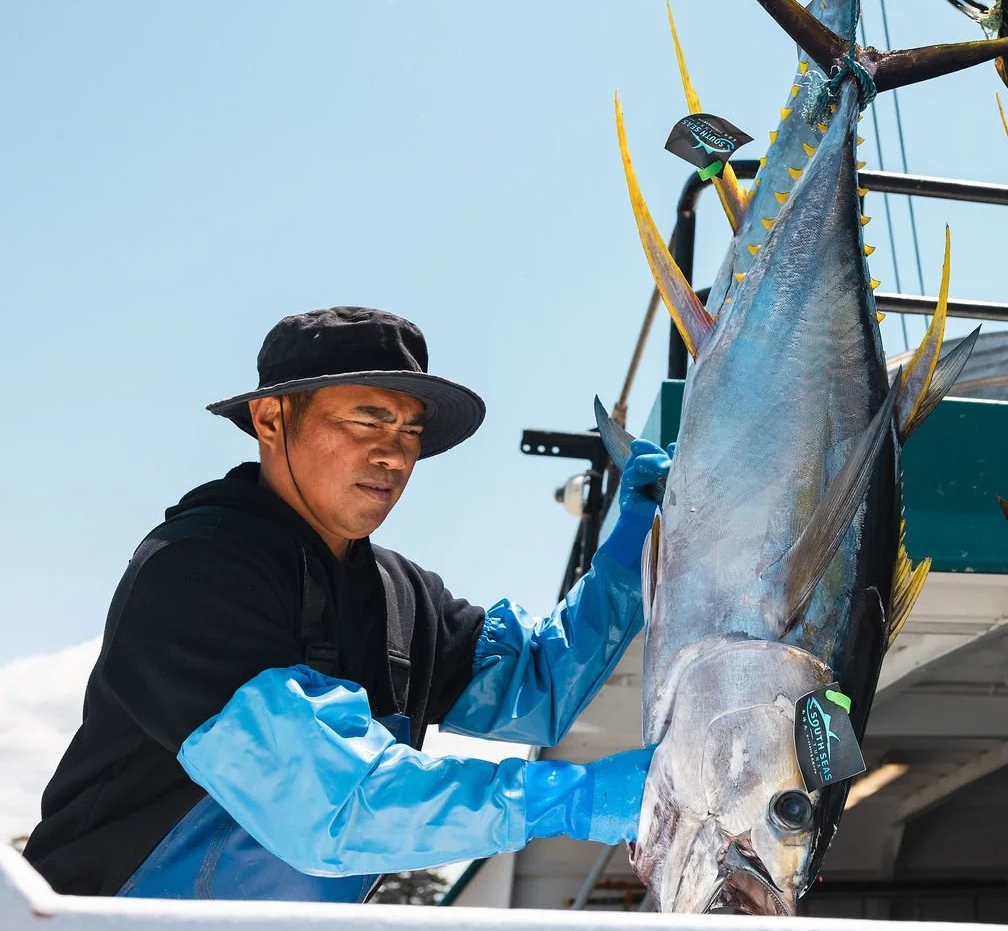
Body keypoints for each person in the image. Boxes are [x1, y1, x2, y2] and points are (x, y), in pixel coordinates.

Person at [25, 307, 666, 901]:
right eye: (366, 420)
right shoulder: (195, 572)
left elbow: (538, 685)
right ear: (270, 419)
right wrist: (575, 799)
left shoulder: (400, 598)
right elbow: (327, 806)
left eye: (409, 430)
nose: (393, 453)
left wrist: (631, 553)